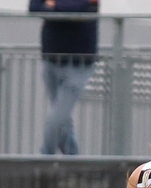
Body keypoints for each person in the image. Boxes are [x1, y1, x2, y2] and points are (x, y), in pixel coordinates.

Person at [28, 0, 98, 155]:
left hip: (78, 64)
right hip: (51, 61)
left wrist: (53, 4)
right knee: (63, 120)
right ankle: (71, 156)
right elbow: (34, 7)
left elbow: (79, 9)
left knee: (56, 120)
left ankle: (46, 156)